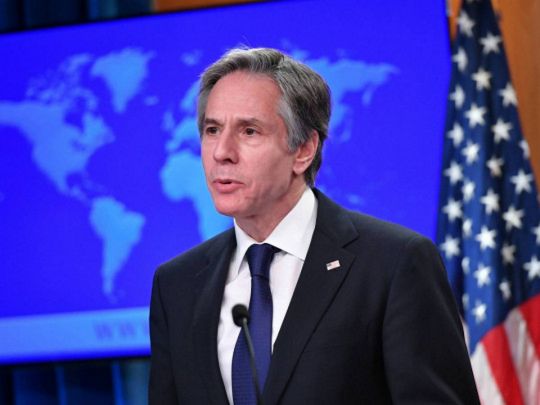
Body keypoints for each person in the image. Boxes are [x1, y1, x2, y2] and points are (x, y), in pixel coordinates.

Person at [149, 47, 480, 405]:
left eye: (249, 131)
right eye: (212, 129)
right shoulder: (177, 285)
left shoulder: (394, 264)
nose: (221, 152)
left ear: (304, 150)